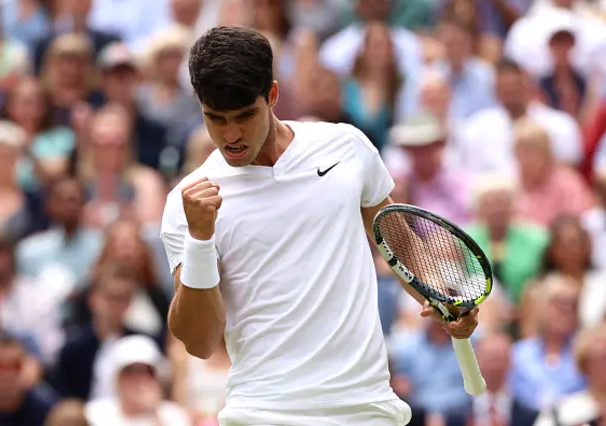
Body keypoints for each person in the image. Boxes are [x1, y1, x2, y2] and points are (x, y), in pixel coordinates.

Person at [160, 26, 480, 425]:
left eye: (245, 116)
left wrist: (442, 297)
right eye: (216, 119)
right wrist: (200, 239)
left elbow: (400, 242)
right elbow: (199, 341)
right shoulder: (187, 204)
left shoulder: (346, 148)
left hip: (366, 408)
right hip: (263, 413)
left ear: (273, 96)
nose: (232, 135)